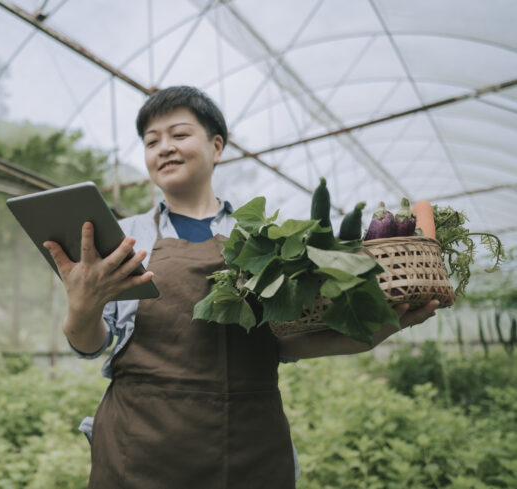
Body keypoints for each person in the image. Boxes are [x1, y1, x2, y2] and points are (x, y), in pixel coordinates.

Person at [43, 86, 439, 488]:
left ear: (216, 147)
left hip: (248, 446)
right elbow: (89, 344)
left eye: (179, 135)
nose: (164, 148)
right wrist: (83, 305)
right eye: (151, 141)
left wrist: (378, 330)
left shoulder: (263, 237)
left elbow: (282, 343)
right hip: (140, 447)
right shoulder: (123, 238)